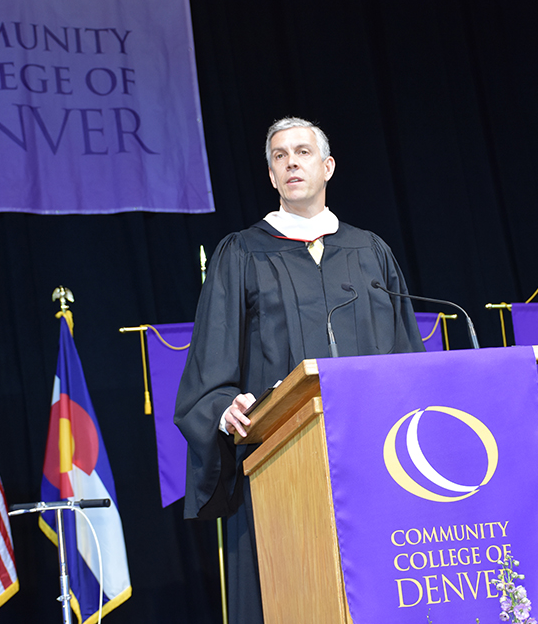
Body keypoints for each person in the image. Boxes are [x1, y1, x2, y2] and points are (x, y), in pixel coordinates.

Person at [174, 117, 425, 623]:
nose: (292, 162)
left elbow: (406, 357)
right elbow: (210, 364)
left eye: (303, 152)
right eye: (280, 156)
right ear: (270, 175)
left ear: (327, 166)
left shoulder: (370, 251)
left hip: (374, 457)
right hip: (279, 458)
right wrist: (225, 410)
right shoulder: (241, 252)